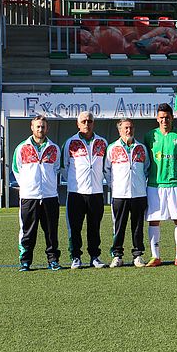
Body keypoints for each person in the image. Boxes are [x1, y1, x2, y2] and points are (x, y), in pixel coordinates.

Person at [143, 103, 177, 267]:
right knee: (154, 220)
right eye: (161, 117)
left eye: (167, 117)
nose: (164, 120)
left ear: (173, 118)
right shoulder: (150, 136)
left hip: (176, 184)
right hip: (155, 185)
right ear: (157, 118)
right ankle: (155, 256)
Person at [13, 115, 62, 271]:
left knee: (51, 231)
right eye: (38, 126)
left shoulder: (54, 148)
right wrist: (28, 186)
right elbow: (16, 169)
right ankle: (25, 261)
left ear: (47, 128)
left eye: (43, 126)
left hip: (49, 196)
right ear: (32, 127)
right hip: (29, 197)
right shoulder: (22, 148)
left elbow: (56, 169)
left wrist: (48, 185)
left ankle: (53, 260)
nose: (40, 129)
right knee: (28, 231)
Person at [63, 111, 108, 269]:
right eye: (83, 121)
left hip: (96, 192)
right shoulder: (70, 143)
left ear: (93, 123)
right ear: (78, 124)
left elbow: (105, 167)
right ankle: (75, 257)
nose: (86, 124)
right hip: (76, 193)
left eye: (89, 121)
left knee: (94, 227)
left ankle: (95, 256)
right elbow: (64, 167)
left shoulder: (102, 142)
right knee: (75, 227)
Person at [104, 118, 150, 268]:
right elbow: (107, 170)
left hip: (139, 193)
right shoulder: (112, 148)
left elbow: (147, 168)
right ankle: (117, 255)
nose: (128, 131)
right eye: (125, 128)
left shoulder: (141, 148)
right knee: (119, 226)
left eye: (130, 128)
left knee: (137, 226)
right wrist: (114, 186)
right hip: (119, 194)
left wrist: (141, 183)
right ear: (119, 130)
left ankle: (138, 255)